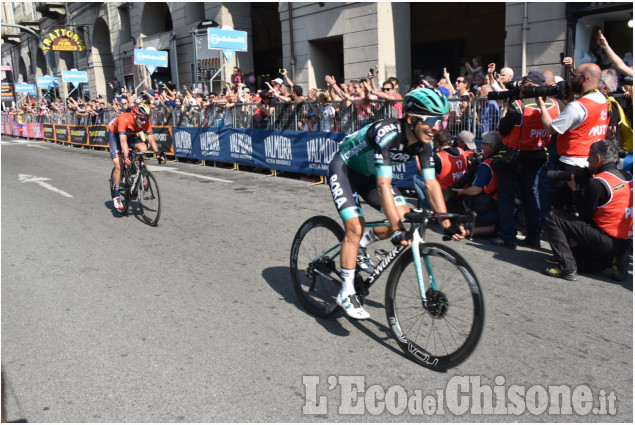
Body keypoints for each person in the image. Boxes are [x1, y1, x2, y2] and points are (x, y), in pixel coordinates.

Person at [327, 88, 467, 319]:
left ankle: (362, 242)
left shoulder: (424, 142)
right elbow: (384, 186)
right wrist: (398, 230)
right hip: (346, 169)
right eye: (432, 120)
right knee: (355, 226)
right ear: (411, 118)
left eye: (441, 121)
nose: (437, 127)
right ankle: (346, 291)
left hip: (371, 176)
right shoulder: (388, 132)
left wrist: (445, 222)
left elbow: (431, 184)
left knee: (404, 219)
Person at [544, 139, 633, 281]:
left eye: (589, 156)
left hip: (605, 241)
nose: (587, 159)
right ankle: (616, 261)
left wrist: (575, 190)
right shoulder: (628, 177)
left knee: (554, 217)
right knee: (581, 259)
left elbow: (585, 215)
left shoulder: (599, 183)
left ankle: (567, 268)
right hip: (625, 241)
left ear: (598, 159)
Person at [495, 71, 561, 249]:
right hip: (538, 154)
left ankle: (508, 237)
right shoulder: (554, 105)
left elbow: (502, 131)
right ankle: (534, 236)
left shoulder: (518, 105)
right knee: (531, 196)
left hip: (515, 156)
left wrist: (505, 109)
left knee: (507, 197)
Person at [537, 62, 609, 213]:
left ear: (584, 78)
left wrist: (542, 106)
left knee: (564, 209)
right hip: (592, 161)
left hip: (572, 163)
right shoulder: (602, 99)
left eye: (574, 75)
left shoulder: (578, 106)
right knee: (581, 204)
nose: (571, 80)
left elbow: (551, 129)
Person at [108, 104, 165, 210]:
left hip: (130, 136)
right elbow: (123, 141)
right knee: (119, 165)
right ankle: (116, 194)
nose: (144, 121)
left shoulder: (146, 121)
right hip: (116, 136)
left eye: (146, 118)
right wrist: (126, 157)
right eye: (142, 118)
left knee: (143, 148)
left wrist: (158, 153)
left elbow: (152, 140)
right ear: (135, 116)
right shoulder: (123, 119)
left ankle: (140, 173)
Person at [452, 131, 503, 236]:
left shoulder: (486, 165)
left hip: (488, 206)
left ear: (490, 146)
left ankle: (471, 230)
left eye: (483, 143)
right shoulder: (501, 159)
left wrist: (462, 191)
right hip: (500, 205)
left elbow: (475, 190)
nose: (481, 146)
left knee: (459, 225)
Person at [413, 130, 468, 211]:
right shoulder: (461, 151)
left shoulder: (438, 157)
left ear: (437, 142)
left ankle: (430, 208)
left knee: (416, 179)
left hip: (445, 194)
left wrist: (417, 157)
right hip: (461, 190)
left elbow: (423, 174)